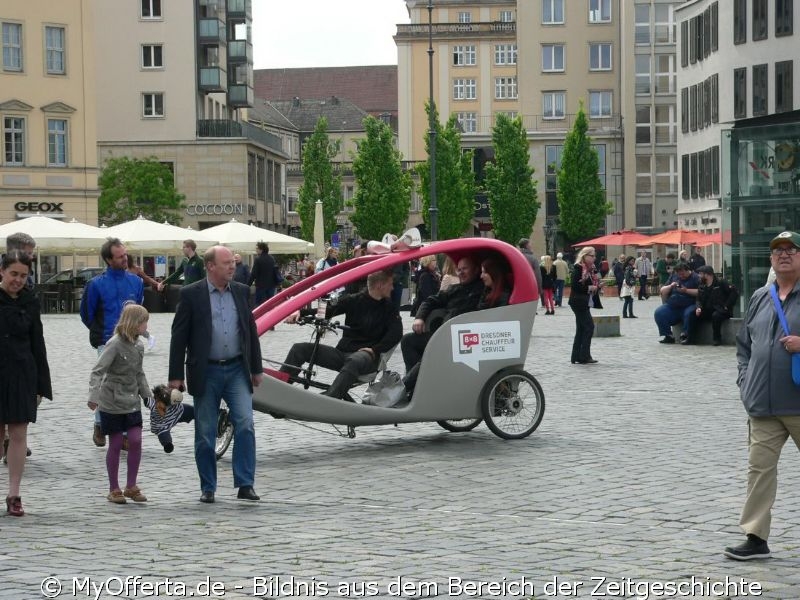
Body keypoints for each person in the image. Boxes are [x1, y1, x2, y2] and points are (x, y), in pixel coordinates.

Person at [724, 231, 800, 561]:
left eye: (791, 249)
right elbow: (744, 346)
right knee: (759, 472)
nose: (784, 254)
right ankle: (755, 537)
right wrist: (746, 382)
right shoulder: (760, 297)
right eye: (778, 251)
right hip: (762, 405)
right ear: (771, 259)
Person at [168, 246, 263, 504]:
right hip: (206, 370)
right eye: (226, 263)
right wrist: (175, 376)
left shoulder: (242, 292)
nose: (232, 266)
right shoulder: (191, 294)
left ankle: (245, 483)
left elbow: (249, 332)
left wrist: (256, 368)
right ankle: (208, 486)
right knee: (206, 431)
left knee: (245, 424)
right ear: (210, 266)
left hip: (236, 370)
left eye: (233, 262)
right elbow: (179, 337)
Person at [280, 269, 402, 399]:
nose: (392, 288)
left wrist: (375, 350)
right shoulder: (353, 300)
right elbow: (328, 310)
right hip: (343, 353)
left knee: (355, 360)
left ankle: (329, 399)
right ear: (380, 285)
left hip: (368, 358)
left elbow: (396, 334)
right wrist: (301, 313)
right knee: (299, 349)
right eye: (390, 284)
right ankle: (279, 388)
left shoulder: (389, 308)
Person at [0, 251, 52, 516]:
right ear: (2, 272)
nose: (18, 280)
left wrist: (42, 385)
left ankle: (14, 494)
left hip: (22, 373)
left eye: (23, 275)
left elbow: (37, 343)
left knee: (19, 435)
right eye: (14, 274)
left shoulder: (31, 301)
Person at [80, 238, 144, 447]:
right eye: (120, 256)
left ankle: (125, 431)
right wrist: (101, 333)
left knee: (129, 382)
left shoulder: (136, 282)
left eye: (125, 254)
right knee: (107, 382)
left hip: (130, 342)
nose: (125, 258)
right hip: (106, 340)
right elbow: (87, 314)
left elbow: (139, 311)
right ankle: (101, 423)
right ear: (108, 259)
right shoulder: (96, 284)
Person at [88, 304, 151, 504]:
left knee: (136, 440)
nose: (146, 326)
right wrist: (93, 396)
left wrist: (147, 396)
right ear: (135, 323)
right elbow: (98, 370)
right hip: (112, 401)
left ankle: (131, 485)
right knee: (115, 443)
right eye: (144, 322)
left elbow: (139, 373)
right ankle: (114, 488)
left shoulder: (139, 346)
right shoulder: (114, 344)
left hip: (132, 400)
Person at [401, 255, 484, 394]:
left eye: (465, 269)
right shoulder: (454, 289)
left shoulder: (482, 289)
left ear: (476, 270)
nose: (461, 272)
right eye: (459, 269)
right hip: (444, 336)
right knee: (408, 340)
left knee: (431, 353)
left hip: (463, 341)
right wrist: (419, 318)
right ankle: (416, 389)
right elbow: (430, 301)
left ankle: (404, 388)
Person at [686, 265, 738, 346]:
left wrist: (727, 305)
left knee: (716, 316)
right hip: (708, 309)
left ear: (707, 275)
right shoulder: (702, 285)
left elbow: (734, 292)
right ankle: (690, 338)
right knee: (691, 314)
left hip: (721, 310)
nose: (699, 276)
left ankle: (717, 339)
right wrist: (698, 307)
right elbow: (698, 299)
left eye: (700, 274)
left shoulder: (721, 282)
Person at [568, 247, 603, 364]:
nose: (594, 258)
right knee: (589, 327)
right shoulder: (578, 268)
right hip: (578, 301)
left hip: (584, 301)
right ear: (585, 256)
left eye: (594, 256)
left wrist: (598, 286)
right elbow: (575, 286)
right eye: (592, 256)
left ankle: (576, 356)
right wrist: (590, 288)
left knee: (581, 328)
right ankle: (584, 356)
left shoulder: (591, 269)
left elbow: (596, 279)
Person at [653, 262, 701, 344]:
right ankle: (668, 335)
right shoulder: (674, 276)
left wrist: (686, 291)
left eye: (682, 274)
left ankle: (686, 335)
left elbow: (701, 292)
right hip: (673, 305)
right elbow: (662, 290)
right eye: (679, 274)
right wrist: (671, 286)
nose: (681, 276)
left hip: (689, 304)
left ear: (687, 270)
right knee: (659, 312)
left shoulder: (696, 277)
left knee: (689, 314)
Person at [249, 241, 280, 306]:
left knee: (260, 305)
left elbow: (253, 273)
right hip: (271, 285)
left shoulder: (258, 259)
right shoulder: (272, 258)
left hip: (261, 286)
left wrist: (248, 284)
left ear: (261, 249)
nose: (256, 250)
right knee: (270, 304)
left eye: (257, 248)